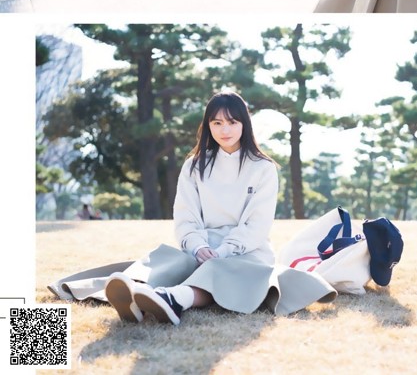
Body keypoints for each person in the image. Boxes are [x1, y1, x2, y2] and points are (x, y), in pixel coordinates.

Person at [47, 91, 336, 322]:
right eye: (217, 123)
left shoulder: (263, 168)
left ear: (244, 124)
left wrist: (221, 252)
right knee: (174, 262)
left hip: (247, 251)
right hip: (202, 245)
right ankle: (138, 293)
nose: (225, 130)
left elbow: (256, 226)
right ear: (208, 126)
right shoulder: (194, 165)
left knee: (220, 271)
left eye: (232, 122)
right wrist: (198, 247)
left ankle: (172, 299)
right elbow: (185, 217)